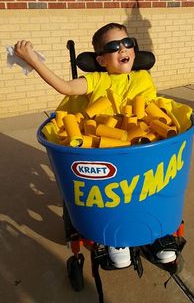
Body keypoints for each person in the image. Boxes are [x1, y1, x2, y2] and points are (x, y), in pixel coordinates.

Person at [15, 22, 177, 268]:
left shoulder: (143, 76)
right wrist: (33, 60)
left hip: (144, 148)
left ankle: (155, 232)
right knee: (113, 193)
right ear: (101, 60)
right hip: (106, 150)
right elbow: (66, 87)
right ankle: (115, 237)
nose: (123, 48)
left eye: (127, 43)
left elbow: (155, 111)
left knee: (149, 187)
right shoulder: (96, 81)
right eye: (114, 46)